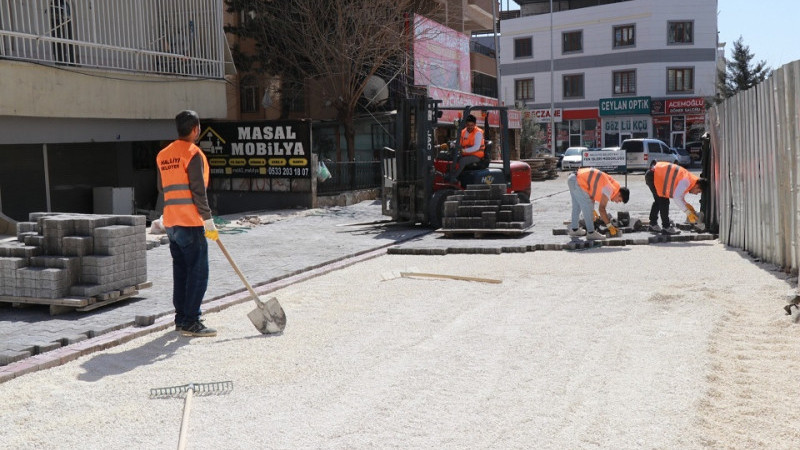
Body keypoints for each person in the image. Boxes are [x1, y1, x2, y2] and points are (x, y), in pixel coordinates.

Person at [156, 110, 218, 337]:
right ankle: (192, 320)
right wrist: (209, 221)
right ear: (195, 129)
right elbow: (198, 192)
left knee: (181, 272)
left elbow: (162, 189)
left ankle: (181, 318)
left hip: (171, 223)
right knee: (199, 272)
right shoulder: (193, 154)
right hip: (190, 223)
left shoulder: (163, 155)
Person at [567, 167, 630, 240]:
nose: (616, 202)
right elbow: (602, 209)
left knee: (577, 206)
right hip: (578, 180)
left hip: (573, 178)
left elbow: (592, 195)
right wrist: (609, 226)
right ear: (619, 194)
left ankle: (574, 229)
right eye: (619, 200)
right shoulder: (610, 189)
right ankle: (591, 233)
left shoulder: (611, 186)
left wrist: (593, 210)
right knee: (587, 207)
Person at [645, 161, 706, 235]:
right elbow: (676, 198)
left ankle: (653, 224)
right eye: (698, 191)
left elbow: (680, 198)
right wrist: (687, 212)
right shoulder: (687, 181)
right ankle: (666, 227)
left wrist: (688, 208)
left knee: (659, 201)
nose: (696, 194)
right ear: (697, 186)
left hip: (653, 174)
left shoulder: (690, 180)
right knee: (663, 201)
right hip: (654, 176)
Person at [449, 114, 485, 181]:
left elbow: (476, 147)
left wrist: (464, 150)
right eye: (468, 125)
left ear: (475, 124)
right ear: (466, 124)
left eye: (472, 125)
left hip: (476, 156)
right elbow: (459, 142)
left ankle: (453, 178)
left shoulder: (478, 133)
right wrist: (453, 144)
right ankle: (454, 176)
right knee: (452, 158)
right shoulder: (463, 132)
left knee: (463, 161)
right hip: (466, 154)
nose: (470, 127)